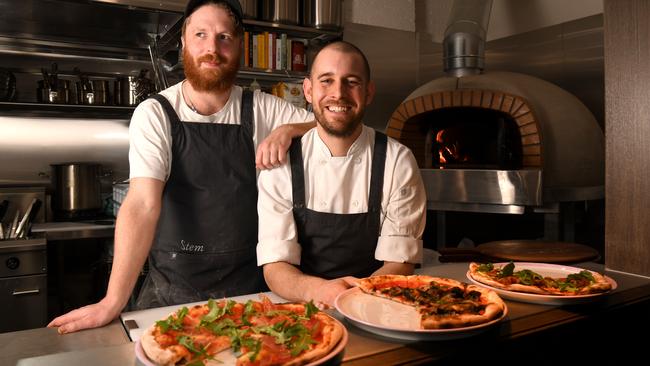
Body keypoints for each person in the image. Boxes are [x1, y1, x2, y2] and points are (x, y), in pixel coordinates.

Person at [48, 0, 314, 334]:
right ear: (184, 43)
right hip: (170, 297)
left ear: (239, 47)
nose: (212, 48)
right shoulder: (156, 113)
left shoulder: (262, 108)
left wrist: (290, 129)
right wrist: (112, 301)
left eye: (224, 37)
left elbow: (332, 124)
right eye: (201, 34)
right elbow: (142, 204)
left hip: (250, 296)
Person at [256, 41, 427, 307]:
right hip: (302, 308)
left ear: (368, 92)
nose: (338, 93)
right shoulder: (281, 165)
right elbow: (275, 266)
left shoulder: (397, 161)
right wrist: (320, 291)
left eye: (352, 82)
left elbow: (399, 262)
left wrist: (356, 299)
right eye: (326, 81)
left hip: (378, 303)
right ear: (308, 90)